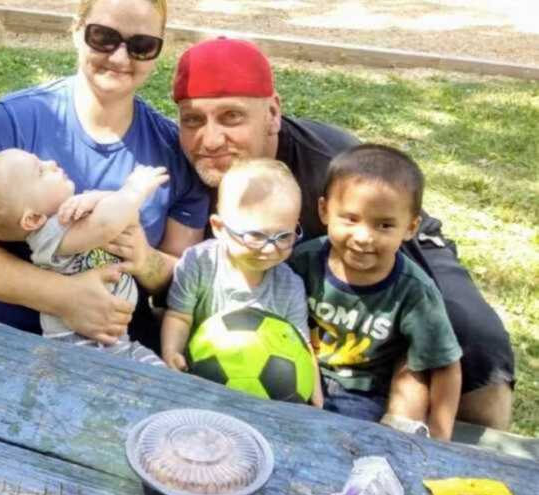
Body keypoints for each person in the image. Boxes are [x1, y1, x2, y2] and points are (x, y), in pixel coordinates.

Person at [171, 37, 515, 430]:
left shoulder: (329, 171)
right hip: (291, 282)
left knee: (470, 333)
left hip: (393, 236)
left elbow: (397, 268)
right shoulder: (178, 160)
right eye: (193, 119)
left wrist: (409, 391)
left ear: (272, 112)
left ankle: (483, 455)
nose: (210, 140)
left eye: (232, 117)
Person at [0, 0, 209, 346]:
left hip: (115, 355)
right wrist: (64, 297)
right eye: (103, 37)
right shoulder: (14, 121)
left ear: (158, 50)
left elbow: (182, 274)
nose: (119, 57)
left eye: (141, 45)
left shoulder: (171, 151)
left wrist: (143, 258)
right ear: (76, 30)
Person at [290, 145, 462, 439]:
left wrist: (441, 437)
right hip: (299, 374)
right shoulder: (302, 262)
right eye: (350, 219)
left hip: (365, 395)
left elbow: (445, 365)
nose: (364, 237)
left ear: (410, 227)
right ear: (324, 210)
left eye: (384, 225)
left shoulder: (414, 291)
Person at [0, 148, 168, 365]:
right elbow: (106, 224)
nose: (51, 162)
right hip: (79, 348)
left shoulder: (70, 217)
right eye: (41, 171)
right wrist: (134, 189)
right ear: (33, 219)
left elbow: (120, 213)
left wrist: (95, 197)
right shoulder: (48, 236)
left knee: (165, 381)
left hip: (115, 341)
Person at [161, 159, 323, 406]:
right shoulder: (199, 263)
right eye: (256, 236)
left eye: (284, 236)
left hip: (265, 400)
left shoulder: (289, 286)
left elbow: (301, 345)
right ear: (218, 227)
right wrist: (171, 352)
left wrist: (314, 393)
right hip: (201, 383)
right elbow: (179, 316)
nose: (270, 248)